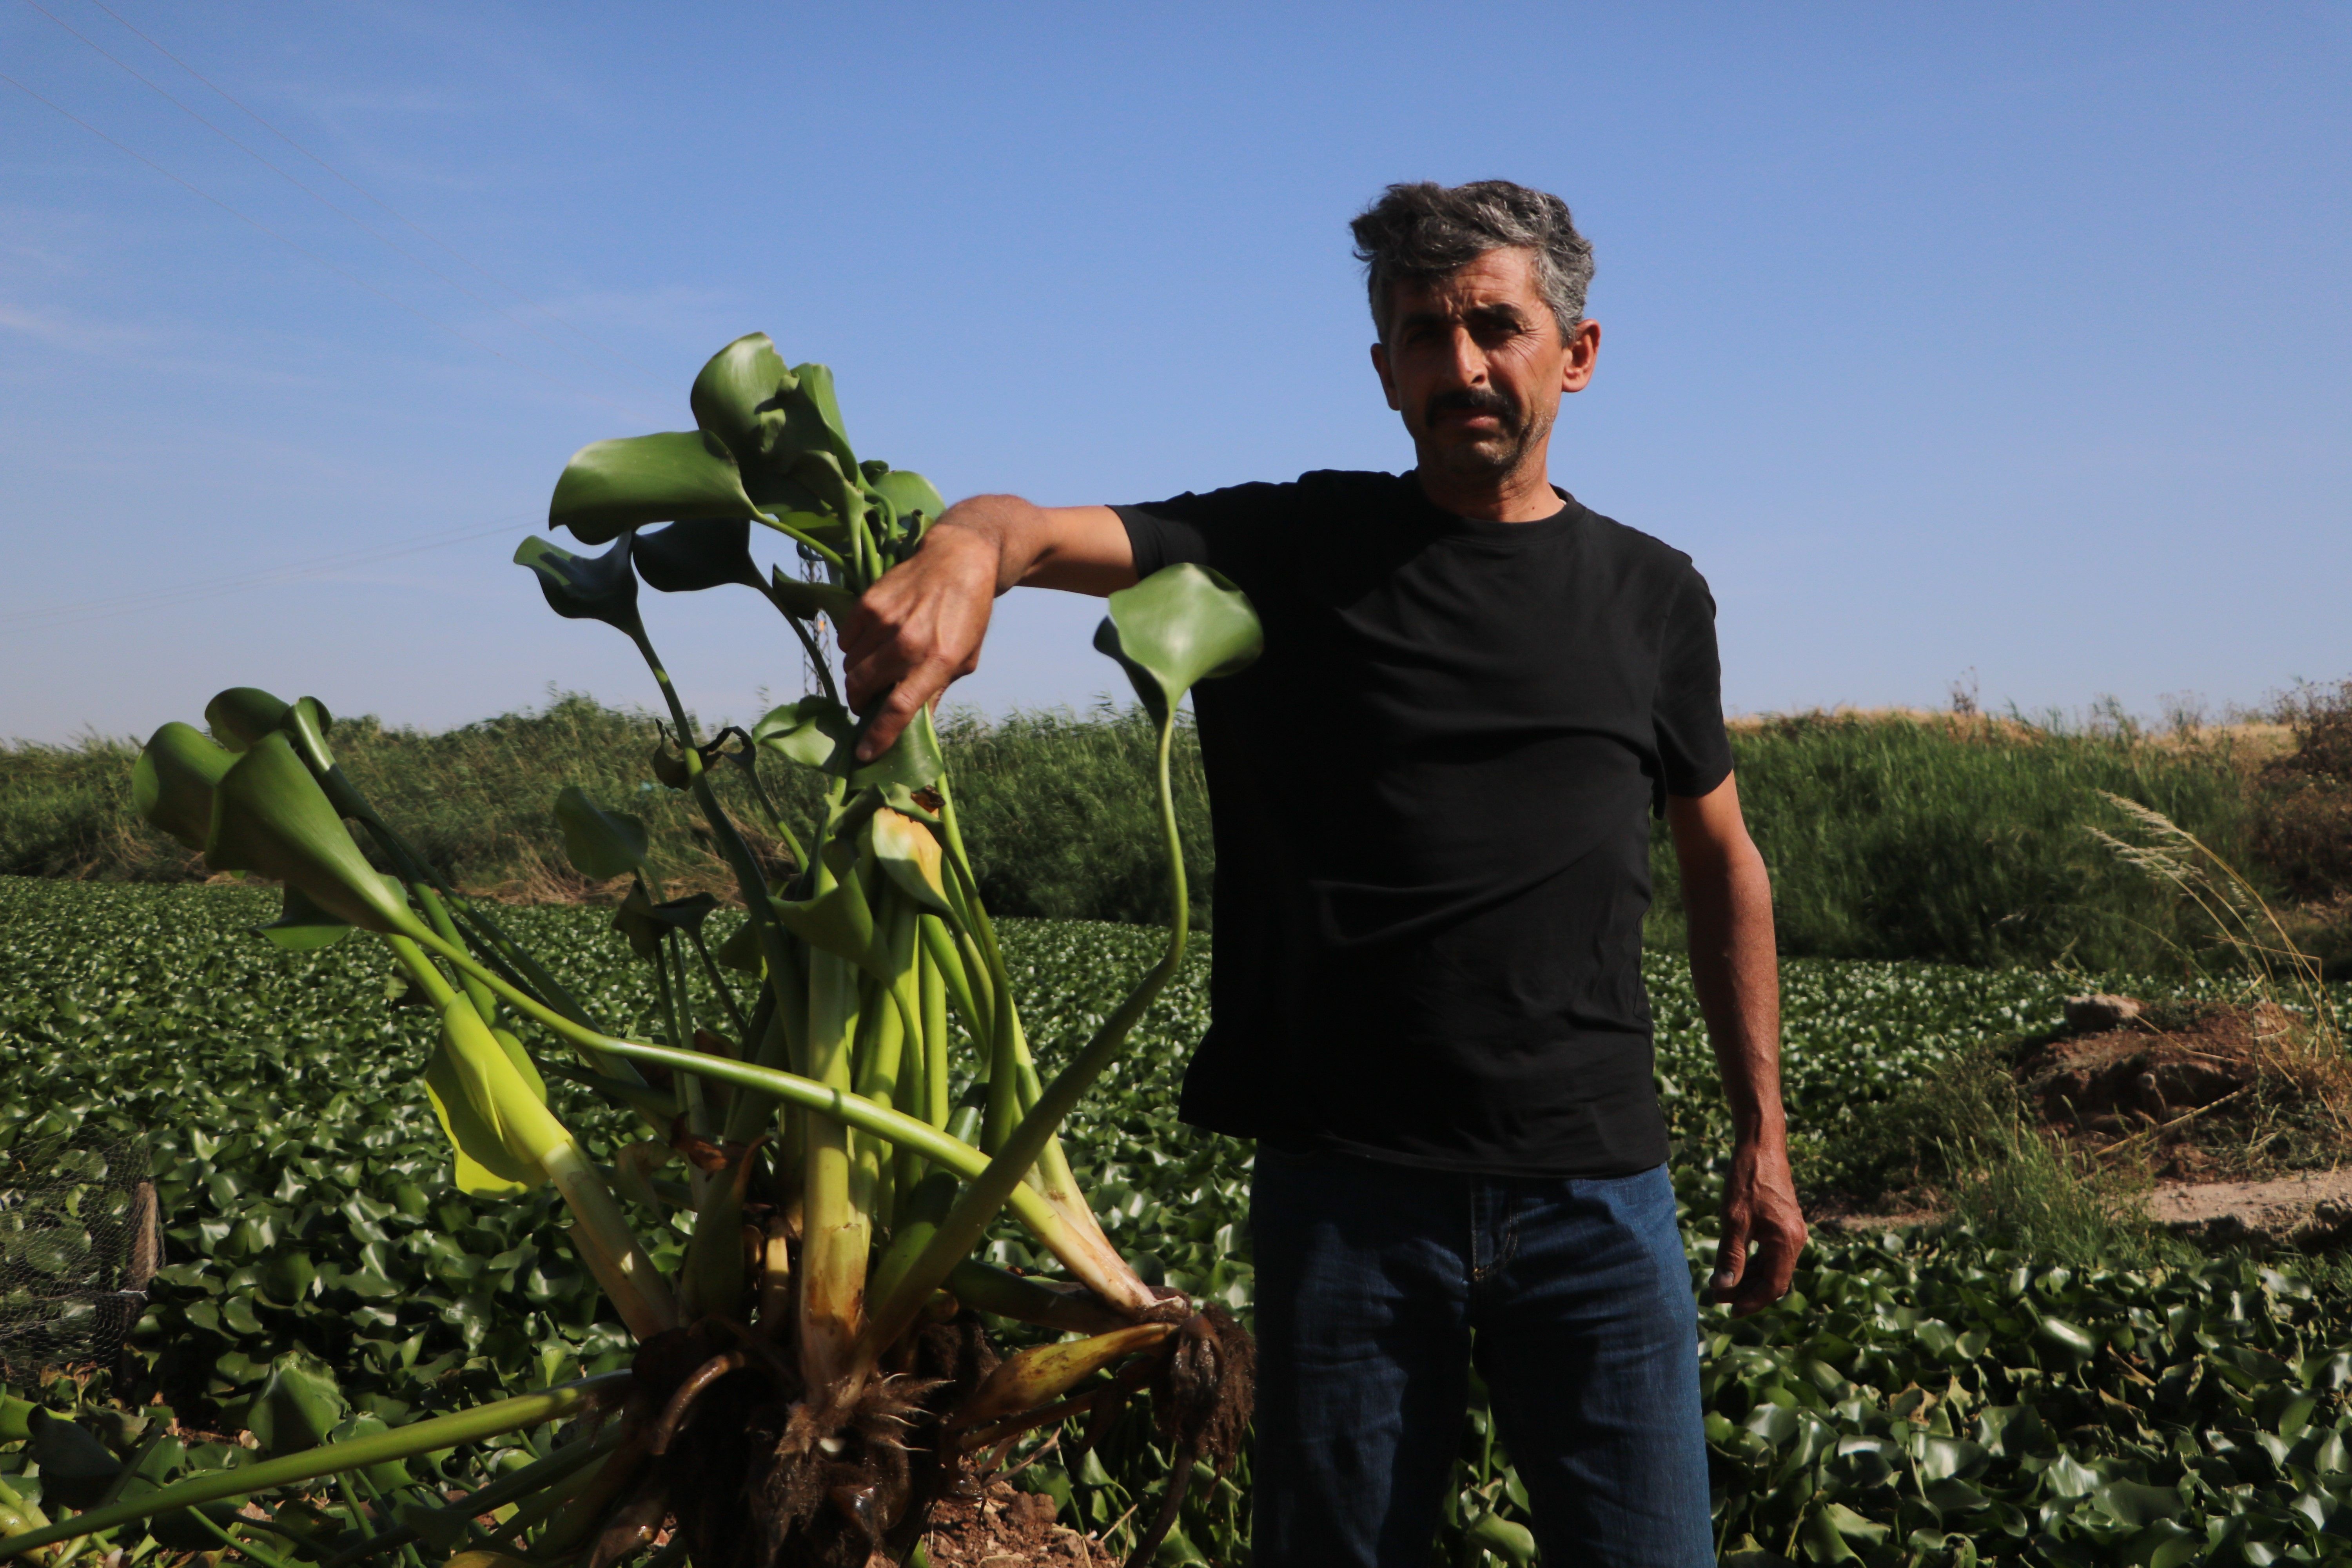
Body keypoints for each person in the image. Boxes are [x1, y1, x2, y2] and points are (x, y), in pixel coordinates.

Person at [840, 179, 1806, 1568]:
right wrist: (961, 550)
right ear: (1383, 370)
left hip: (1597, 1199)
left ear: (1576, 354)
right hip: (1352, 1205)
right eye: (1424, 333)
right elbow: (1034, 528)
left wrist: (1762, 1136)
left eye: (1496, 326)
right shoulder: (1295, 548)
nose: (1461, 364)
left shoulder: (1655, 595)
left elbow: (1726, 867)